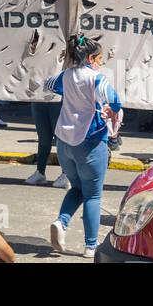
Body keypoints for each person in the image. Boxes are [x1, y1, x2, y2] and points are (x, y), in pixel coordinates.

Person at [46, 35, 121, 259]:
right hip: (90, 142)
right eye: (99, 58)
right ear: (90, 58)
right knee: (93, 196)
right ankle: (90, 246)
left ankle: (61, 222)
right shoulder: (97, 79)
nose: (101, 63)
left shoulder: (66, 75)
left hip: (64, 143)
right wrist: (111, 109)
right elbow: (115, 99)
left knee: (77, 188)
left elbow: (49, 85)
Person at [27, 72, 66, 186]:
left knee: (60, 138)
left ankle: (66, 173)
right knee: (43, 137)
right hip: (38, 93)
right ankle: (40, 172)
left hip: (57, 96)